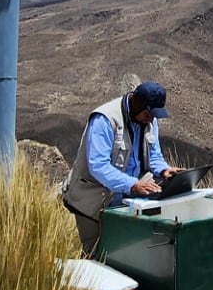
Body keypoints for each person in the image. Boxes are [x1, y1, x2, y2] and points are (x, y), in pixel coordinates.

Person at [61, 80, 182, 255]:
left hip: (127, 191)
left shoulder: (148, 120)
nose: (152, 119)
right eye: (149, 113)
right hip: (93, 194)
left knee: (128, 250)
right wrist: (132, 185)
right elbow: (98, 165)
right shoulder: (104, 119)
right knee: (97, 253)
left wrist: (164, 170)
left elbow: (154, 154)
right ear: (136, 102)